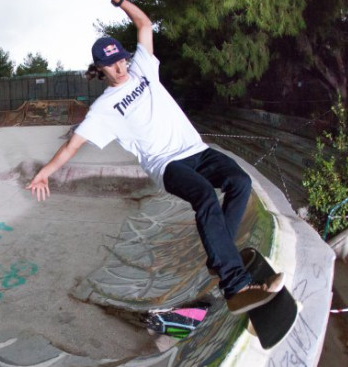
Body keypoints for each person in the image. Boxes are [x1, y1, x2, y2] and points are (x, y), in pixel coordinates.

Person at [26, 0, 284, 315]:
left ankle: (222, 255)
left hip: (196, 150)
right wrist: (45, 172)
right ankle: (237, 288)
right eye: (111, 65)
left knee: (240, 181)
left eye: (121, 60)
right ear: (99, 69)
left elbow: (145, 25)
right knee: (204, 195)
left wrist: (122, 3)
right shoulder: (103, 109)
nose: (120, 68)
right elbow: (72, 147)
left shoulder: (143, 68)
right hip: (167, 165)